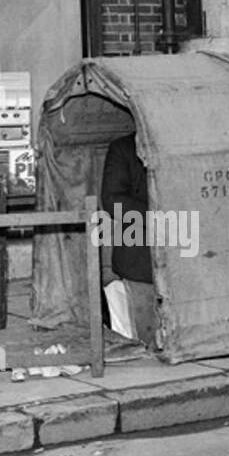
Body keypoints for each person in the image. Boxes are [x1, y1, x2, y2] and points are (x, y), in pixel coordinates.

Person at [99, 131, 155, 344]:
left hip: (180, 250)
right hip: (139, 257)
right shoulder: (123, 148)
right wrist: (157, 213)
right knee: (140, 333)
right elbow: (112, 200)